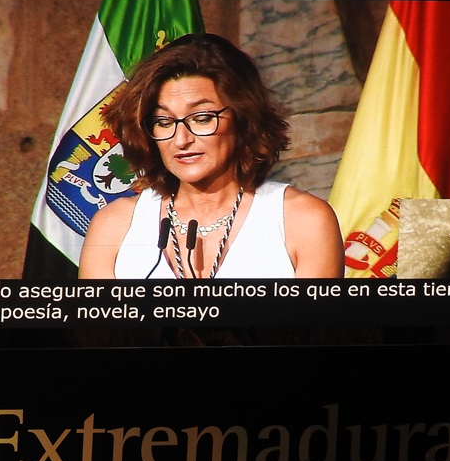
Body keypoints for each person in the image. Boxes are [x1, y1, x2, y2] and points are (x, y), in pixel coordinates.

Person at [79, 32, 344, 279]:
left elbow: (314, 330)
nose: (181, 139)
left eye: (202, 118)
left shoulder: (303, 220)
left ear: (243, 119)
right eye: (164, 121)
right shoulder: (114, 225)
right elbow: (97, 329)